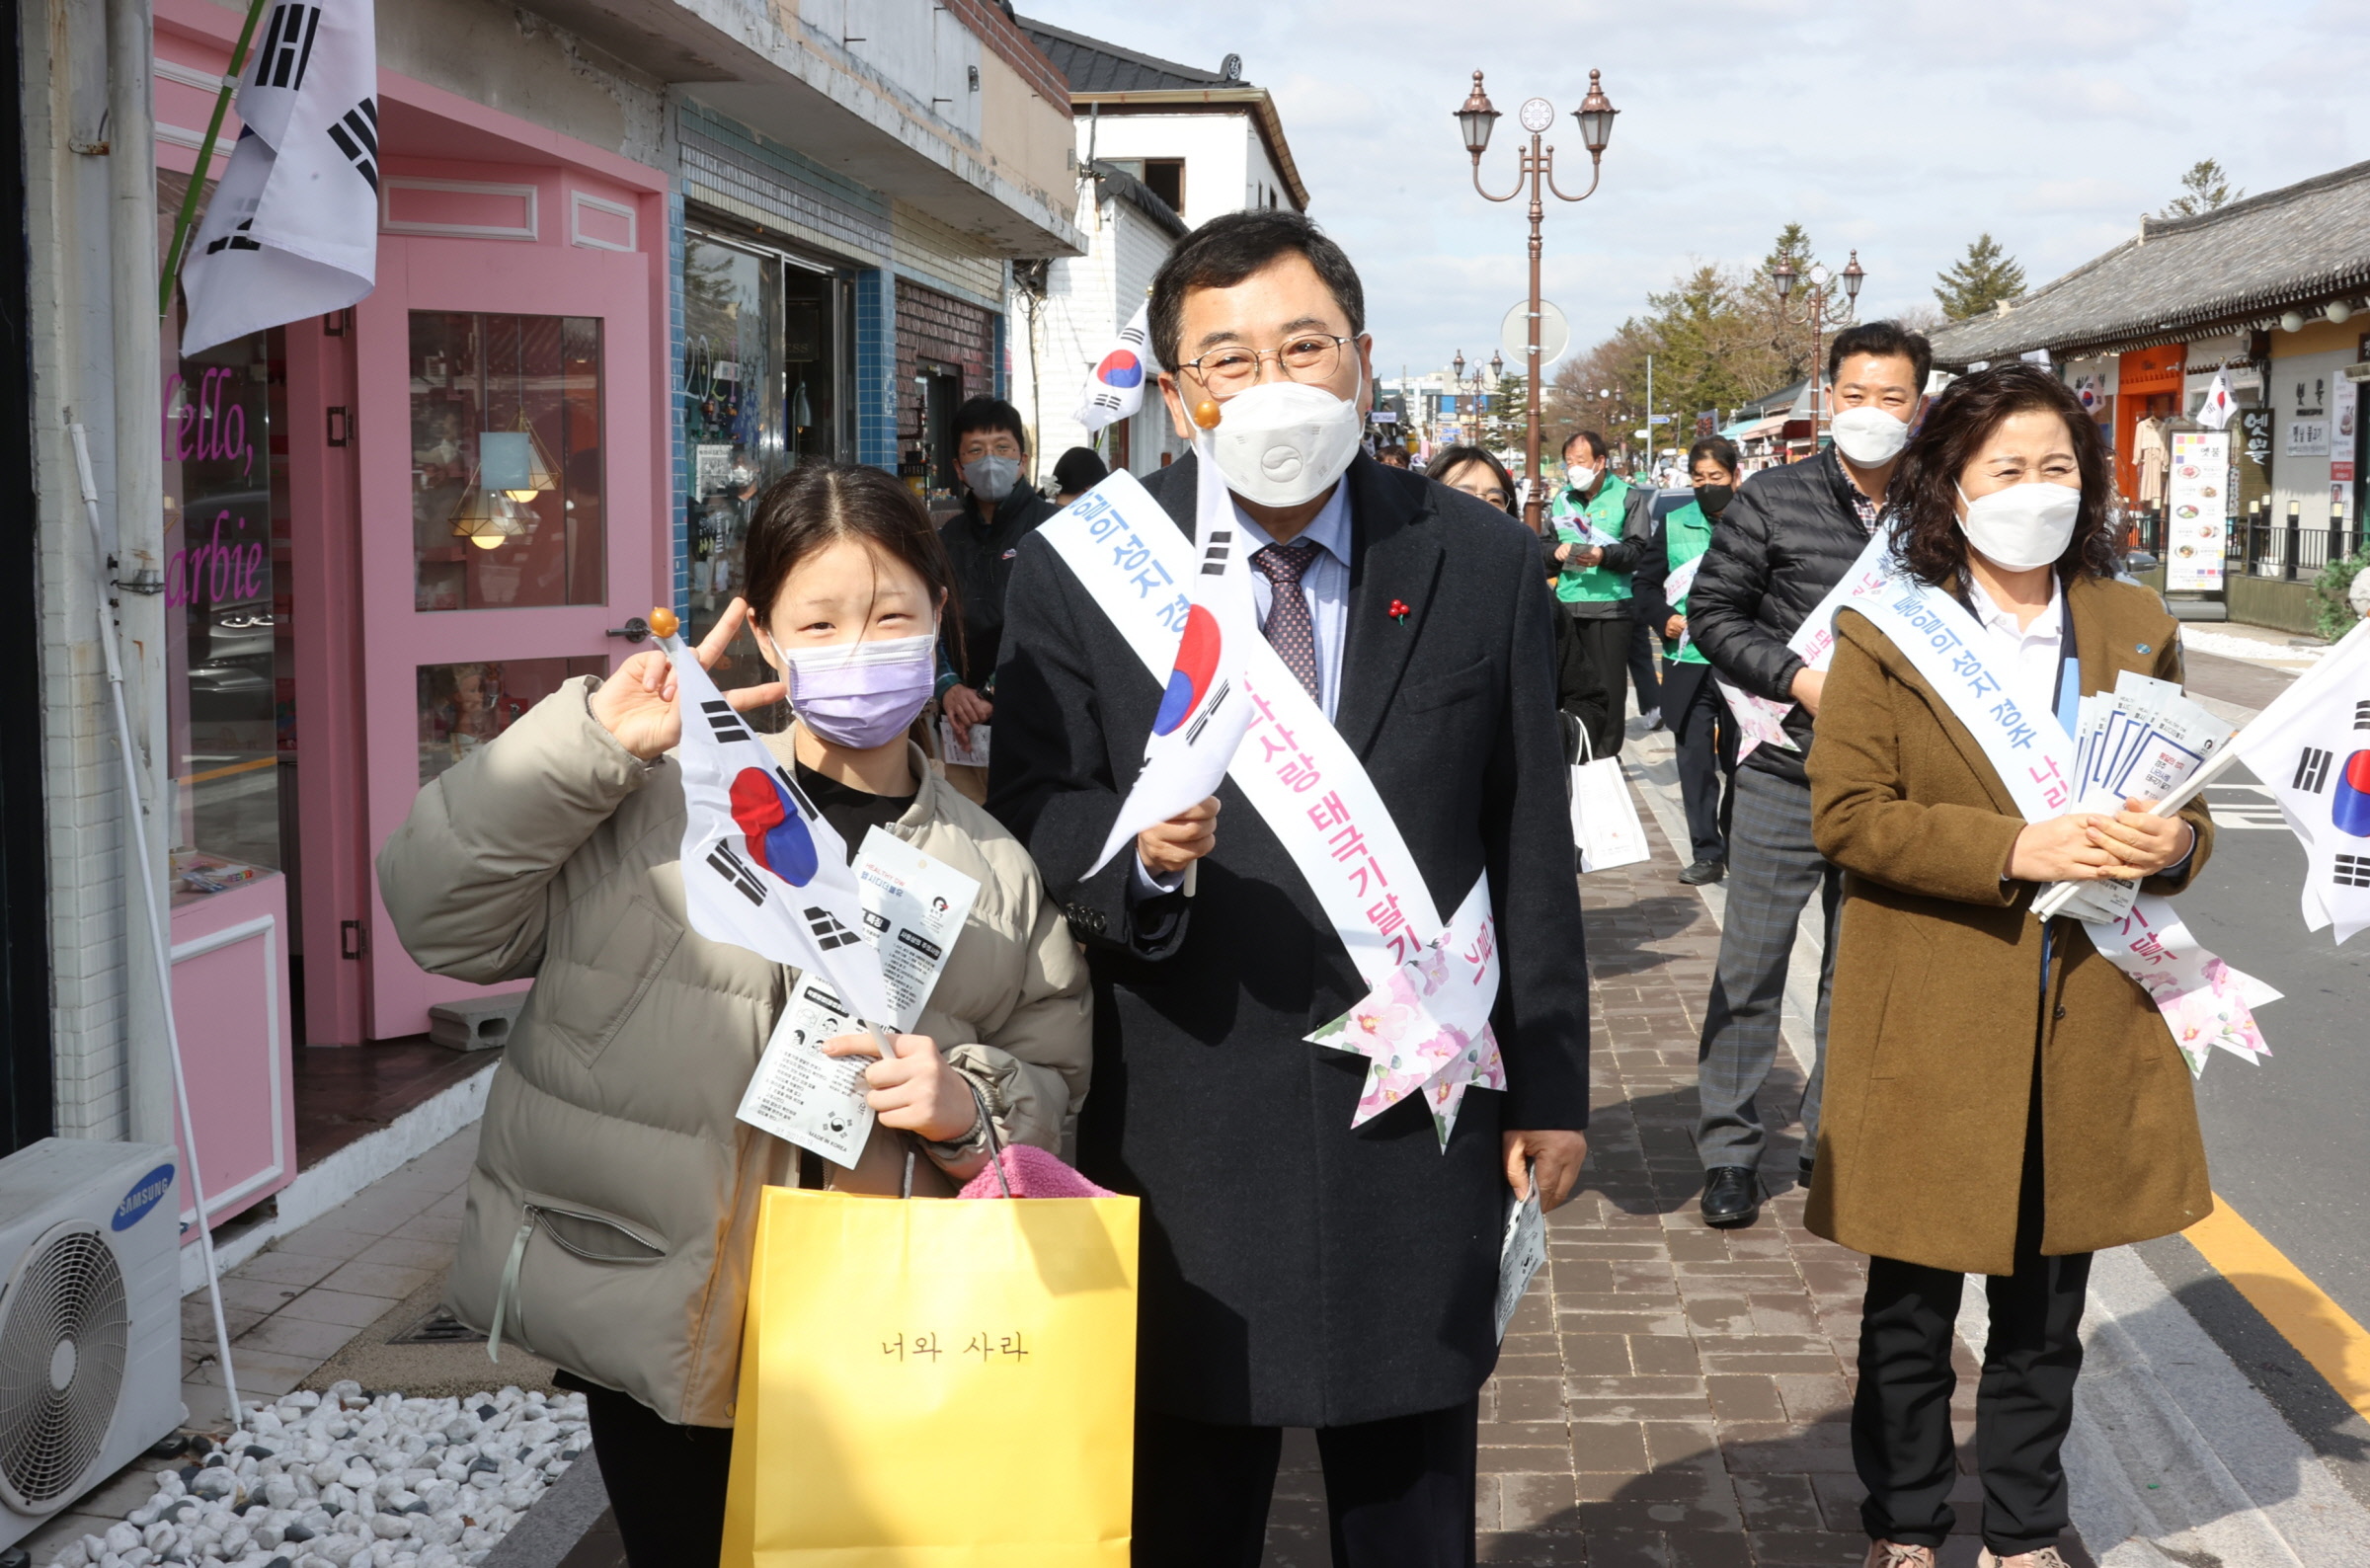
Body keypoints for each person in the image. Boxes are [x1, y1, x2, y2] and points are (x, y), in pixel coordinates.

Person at [989, 209, 1590, 1566]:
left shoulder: (1480, 559)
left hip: (1419, 1111)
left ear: (1362, 360)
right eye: (1226, 359)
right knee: (1187, 1509)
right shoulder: (1084, 566)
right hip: (1185, 1109)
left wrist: (1553, 1087)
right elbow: (1030, 805)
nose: (1267, 384)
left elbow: (1526, 844)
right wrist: (1139, 859)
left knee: (1411, 1510)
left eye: (1301, 345)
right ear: (1178, 387)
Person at [376, 463, 1092, 1568]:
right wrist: (591, 742)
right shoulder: (655, 805)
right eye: (822, 617)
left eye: (893, 613)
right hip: (657, 1308)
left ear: (942, 616)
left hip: (880, 1336)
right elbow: (439, 915)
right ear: (763, 630)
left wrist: (971, 1106)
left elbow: (1054, 1074)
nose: (862, 643)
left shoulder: (991, 865)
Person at [1807, 364, 2214, 1568]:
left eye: (2059, 468)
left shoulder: (2133, 620)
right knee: (1914, 1306)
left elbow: (2186, 800)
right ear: (1950, 485)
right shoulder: (1887, 627)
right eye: (2007, 470)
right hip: (1937, 1008)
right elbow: (1851, 815)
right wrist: (2014, 846)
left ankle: (2029, 1523)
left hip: (2085, 1010)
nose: (2036, 492)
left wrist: (2178, 842)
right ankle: (1910, 1519)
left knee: (2047, 1313)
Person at [1685, 320, 1931, 1227]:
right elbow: (1713, 613)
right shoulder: (1772, 499)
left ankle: (1835, 1144)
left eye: (1891, 397)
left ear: (1920, 403)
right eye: (1855, 395)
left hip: (1895, 788)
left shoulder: (1942, 510)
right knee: (1751, 965)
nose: (1871, 412)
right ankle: (1730, 1150)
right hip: (1785, 769)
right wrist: (1800, 679)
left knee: (1860, 973)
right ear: (1829, 397)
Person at [1435, 442, 1613, 754]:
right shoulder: (1401, 592)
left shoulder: (1534, 597)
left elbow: (1588, 701)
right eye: (1462, 496)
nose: (1481, 509)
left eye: (1494, 499)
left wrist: (1536, 740)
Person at [936, 398, 1059, 802]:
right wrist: (948, 687)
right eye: (975, 450)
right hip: (960, 730)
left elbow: (1056, 626)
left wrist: (991, 693)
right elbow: (925, 621)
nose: (990, 460)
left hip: (1039, 725)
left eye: (1002, 448)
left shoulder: (1053, 529)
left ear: (1022, 460)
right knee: (972, 841)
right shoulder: (945, 539)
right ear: (959, 468)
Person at [1633, 437, 1743, 884]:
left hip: (1741, 662)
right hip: (1688, 662)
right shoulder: (1675, 523)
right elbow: (1644, 585)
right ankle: (1706, 852)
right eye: (1699, 478)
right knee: (1694, 760)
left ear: (1734, 476)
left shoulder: (1755, 519)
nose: (1706, 486)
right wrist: (1664, 619)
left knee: (1741, 761)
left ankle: (1738, 845)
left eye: (1715, 478)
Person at [1546, 431, 1656, 756]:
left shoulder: (1628, 497)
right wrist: (1556, 552)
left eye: (1581, 461)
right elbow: (1542, 547)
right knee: (1565, 686)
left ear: (1600, 462)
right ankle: (1573, 751)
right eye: (1569, 462)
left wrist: (1603, 556)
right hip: (1567, 605)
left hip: (1611, 608)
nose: (1574, 468)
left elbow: (1638, 551)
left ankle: (1607, 756)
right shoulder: (1561, 498)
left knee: (1608, 688)